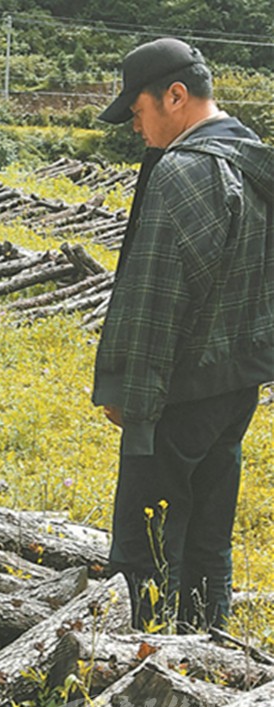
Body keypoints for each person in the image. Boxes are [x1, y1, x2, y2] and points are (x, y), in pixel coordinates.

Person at [92, 38, 274, 631]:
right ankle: (207, 642)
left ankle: (135, 657)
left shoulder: (185, 171)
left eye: (138, 111)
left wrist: (133, 400)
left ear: (175, 96)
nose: (136, 127)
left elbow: (155, 301)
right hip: (236, 383)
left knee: (142, 540)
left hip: (179, 386)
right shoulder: (252, 158)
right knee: (207, 530)